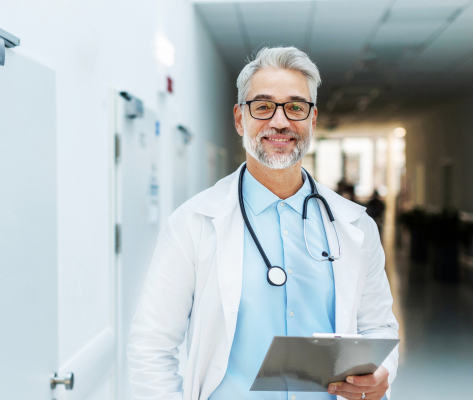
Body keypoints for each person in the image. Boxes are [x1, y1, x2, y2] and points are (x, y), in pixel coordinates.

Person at [127, 47, 399, 400]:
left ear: (313, 120)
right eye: (263, 106)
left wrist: (382, 372)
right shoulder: (193, 224)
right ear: (240, 119)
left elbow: (378, 327)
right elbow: (151, 345)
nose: (281, 121)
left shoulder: (356, 227)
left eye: (296, 107)